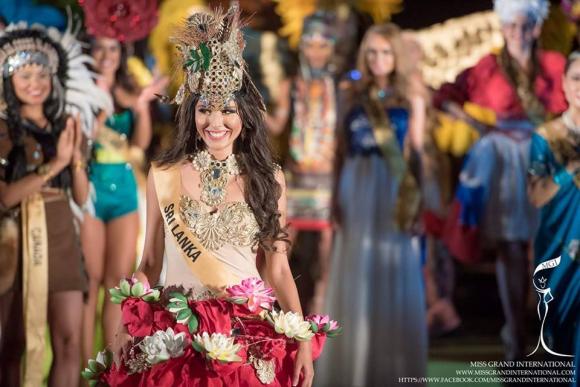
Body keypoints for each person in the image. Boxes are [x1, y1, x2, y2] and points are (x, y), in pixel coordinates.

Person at [101, 5, 332, 387]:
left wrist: (302, 339)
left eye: (228, 110)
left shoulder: (268, 178)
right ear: (191, 113)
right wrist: (129, 319)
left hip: (245, 336)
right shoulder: (163, 174)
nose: (216, 122)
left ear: (245, 115)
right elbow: (151, 262)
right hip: (177, 336)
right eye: (205, 109)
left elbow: (277, 269)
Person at [433, 0, 567, 360]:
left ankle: (544, 328)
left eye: (524, 25)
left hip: (546, 157)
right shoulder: (489, 66)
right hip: (505, 160)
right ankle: (515, 330)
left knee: (548, 247)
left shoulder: (554, 65)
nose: (516, 33)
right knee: (510, 247)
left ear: (536, 27)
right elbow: (445, 94)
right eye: (510, 26)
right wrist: (476, 125)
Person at [316, 23, 427, 386]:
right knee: (356, 268)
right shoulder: (350, 94)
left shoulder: (411, 96)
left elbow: (417, 154)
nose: (379, 60)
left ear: (397, 56)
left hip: (393, 188)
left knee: (392, 266)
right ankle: (354, 369)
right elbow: (338, 150)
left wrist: (418, 203)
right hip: (355, 184)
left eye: (386, 52)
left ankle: (390, 370)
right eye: (373, 52)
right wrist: (333, 196)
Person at [0, 22, 110, 386]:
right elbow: (6, 196)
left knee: (68, 340)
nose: (35, 82)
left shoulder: (66, 123)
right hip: (15, 247)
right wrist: (56, 164)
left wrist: (76, 157)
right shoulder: (4, 130)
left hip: (63, 236)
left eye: (41, 73)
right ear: (9, 81)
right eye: (25, 74)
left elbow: (79, 196)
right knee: (13, 343)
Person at [81, 34, 167, 360]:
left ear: (122, 52)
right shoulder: (81, 89)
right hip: (91, 190)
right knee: (89, 281)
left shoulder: (131, 88)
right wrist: (103, 105)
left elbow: (141, 143)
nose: (106, 55)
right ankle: (82, 364)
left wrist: (141, 106)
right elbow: (82, 140)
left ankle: (109, 367)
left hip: (125, 191)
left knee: (117, 284)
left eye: (113, 48)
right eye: (101, 47)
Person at [267, 11, 338, 314]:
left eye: (323, 44)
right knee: (283, 239)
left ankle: (321, 306)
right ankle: (268, 302)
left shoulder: (339, 86)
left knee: (326, 244)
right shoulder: (290, 84)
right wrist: (252, 111)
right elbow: (277, 124)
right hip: (297, 177)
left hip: (327, 177)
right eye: (310, 44)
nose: (316, 52)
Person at [528, 51, 579, 374]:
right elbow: (535, 195)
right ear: (564, 83)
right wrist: (569, 168)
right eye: (577, 78)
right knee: (561, 329)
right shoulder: (547, 137)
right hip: (560, 246)